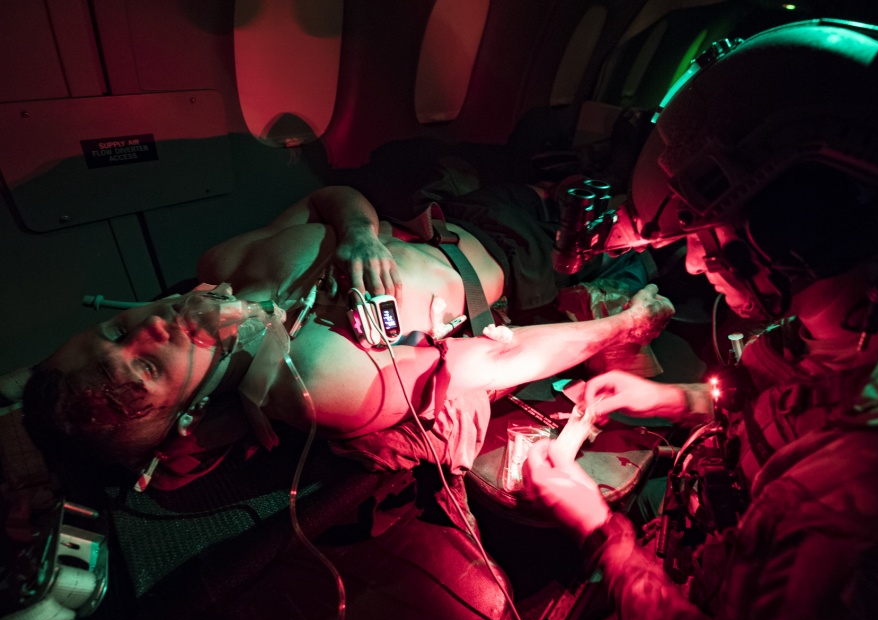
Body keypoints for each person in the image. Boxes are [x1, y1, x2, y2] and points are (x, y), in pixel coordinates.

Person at [523, 11, 878, 620]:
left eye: (704, 235)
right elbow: (808, 399)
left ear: (794, 225)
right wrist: (675, 400)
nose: (695, 264)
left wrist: (602, 538)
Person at [20, 182, 672, 491]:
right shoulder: (315, 377)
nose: (151, 326)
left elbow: (324, 200)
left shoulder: (222, 264)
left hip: (461, 209)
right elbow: (496, 361)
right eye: (150, 367)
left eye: (117, 329)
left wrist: (359, 233)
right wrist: (624, 325)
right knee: (658, 218)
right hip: (526, 264)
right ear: (183, 417)